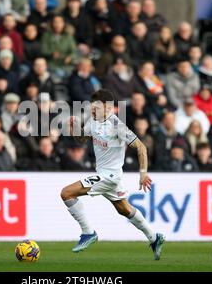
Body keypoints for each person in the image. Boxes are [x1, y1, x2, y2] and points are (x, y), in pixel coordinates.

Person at [61, 89, 165, 258]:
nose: (93, 110)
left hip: (110, 176)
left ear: (108, 108)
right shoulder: (93, 121)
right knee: (124, 209)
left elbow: (141, 147)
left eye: (97, 107)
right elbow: (81, 139)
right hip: (105, 174)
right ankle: (154, 238)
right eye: (92, 106)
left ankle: (88, 232)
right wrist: (74, 129)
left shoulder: (117, 126)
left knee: (66, 193)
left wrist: (143, 174)